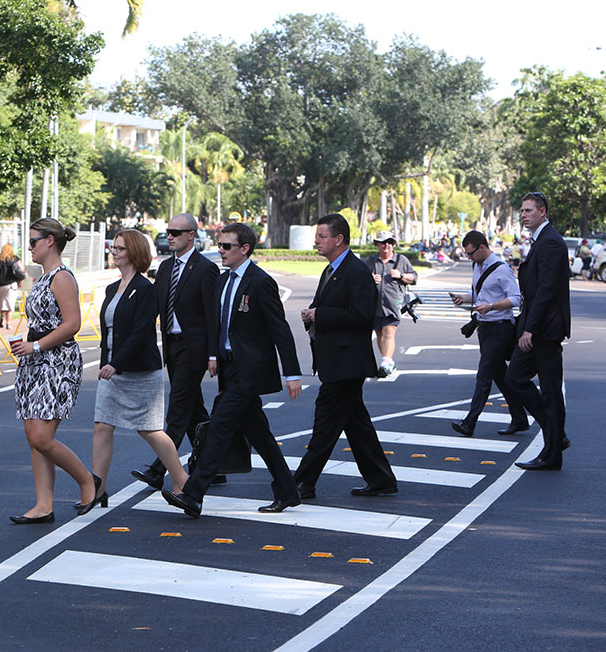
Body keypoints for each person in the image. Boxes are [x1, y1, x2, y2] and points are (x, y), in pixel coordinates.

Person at [162, 222, 303, 518]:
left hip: (251, 371)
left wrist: (291, 373)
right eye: (219, 244)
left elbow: (280, 330)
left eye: (226, 246)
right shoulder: (224, 280)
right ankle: (288, 490)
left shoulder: (260, 282)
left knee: (220, 426)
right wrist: (215, 357)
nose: (220, 251)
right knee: (259, 434)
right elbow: (220, 325)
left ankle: (193, 494)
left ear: (244, 249)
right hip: (230, 368)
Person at [295, 213, 397, 498]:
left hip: (347, 363)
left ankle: (303, 482)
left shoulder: (356, 271)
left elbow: (363, 316)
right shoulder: (331, 269)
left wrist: (320, 314)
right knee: (357, 425)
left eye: (322, 236)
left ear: (338, 239)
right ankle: (381, 479)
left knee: (325, 425)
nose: (316, 241)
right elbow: (330, 306)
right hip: (336, 360)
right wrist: (312, 314)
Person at [89, 230, 188, 507]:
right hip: (112, 371)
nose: (114, 252)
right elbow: (110, 331)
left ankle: (183, 481)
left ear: (133, 252)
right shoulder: (112, 288)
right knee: (102, 426)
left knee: (149, 429)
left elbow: (141, 332)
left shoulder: (146, 290)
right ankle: (98, 489)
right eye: (113, 248)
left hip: (139, 372)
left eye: (120, 248)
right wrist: (108, 363)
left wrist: (115, 364)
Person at [10, 218, 98, 524]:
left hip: (56, 361)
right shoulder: (42, 278)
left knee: (43, 437)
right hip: (35, 360)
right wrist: (28, 344)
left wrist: (35, 346)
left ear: (49, 241)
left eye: (33, 241)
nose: (30, 247)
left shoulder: (62, 278)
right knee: (32, 436)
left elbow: (72, 324)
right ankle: (43, 504)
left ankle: (89, 483)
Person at [130, 212, 219, 491]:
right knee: (194, 411)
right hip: (172, 346)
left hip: (195, 349)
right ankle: (214, 465)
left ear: (191, 235)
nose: (169, 236)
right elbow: (156, 306)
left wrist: (213, 354)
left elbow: (213, 316)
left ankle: (159, 469)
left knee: (178, 410)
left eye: (176, 232)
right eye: (168, 231)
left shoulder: (205, 269)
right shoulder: (166, 268)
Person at [506, 192, 571, 470]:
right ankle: (555, 438)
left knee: (549, 391)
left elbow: (546, 291)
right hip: (538, 326)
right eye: (522, 210)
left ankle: (552, 452)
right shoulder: (541, 240)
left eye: (529, 210)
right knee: (516, 378)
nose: (524, 215)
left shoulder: (551, 242)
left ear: (542, 212)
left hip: (544, 329)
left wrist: (529, 329)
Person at [449, 230, 528, 437]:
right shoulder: (477, 265)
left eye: (470, 253)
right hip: (484, 328)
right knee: (499, 375)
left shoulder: (502, 270)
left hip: (500, 327)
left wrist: (492, 306)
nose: (468, 258)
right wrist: (463, 299)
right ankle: (519, 418)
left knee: (484, 374)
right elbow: (478, 293)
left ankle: (470, 422)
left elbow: (516, 298)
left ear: (482, 248)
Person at [363, 231, 416, 378]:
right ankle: (388, 361)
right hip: (373, 305)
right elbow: (357, 279)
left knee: (388, 332)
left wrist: (401, 276)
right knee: (379, 333)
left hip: (393, 304)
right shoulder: (370, 261)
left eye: (389, 242)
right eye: (383, 242)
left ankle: (385, 362)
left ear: (393, 245)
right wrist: (370, 279)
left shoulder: (401, 260)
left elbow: (414, 277)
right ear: (377, 244)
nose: (386, 245)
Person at [0, 243, 26, 330]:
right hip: (11, 284)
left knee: (2, 302)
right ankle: (8, 323)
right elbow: (21, 269)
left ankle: (1, 316)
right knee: (10, 304)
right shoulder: (14, 258)